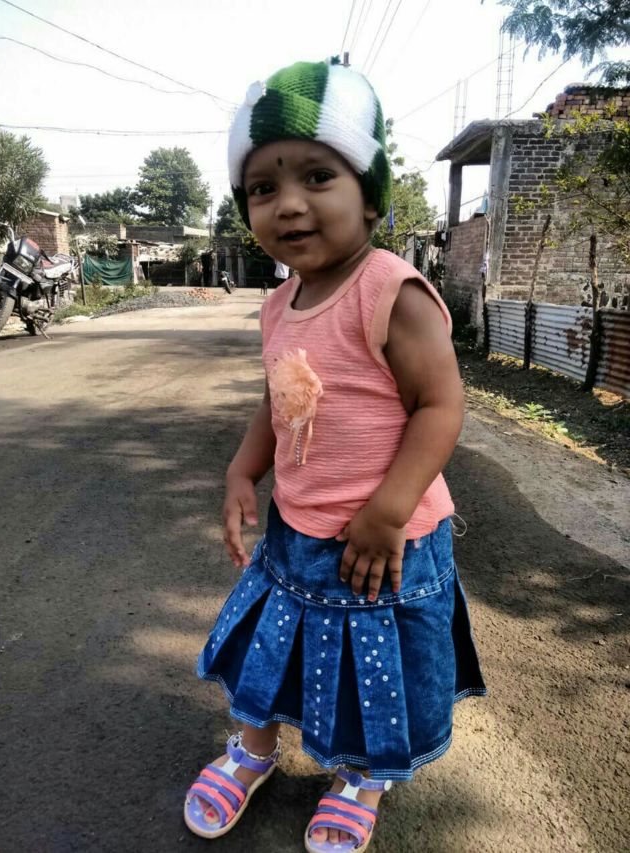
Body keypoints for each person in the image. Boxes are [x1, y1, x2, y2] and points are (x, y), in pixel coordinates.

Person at [184, 58, 486, 851]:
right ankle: (253, 748)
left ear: (371, 193)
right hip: (297, 533)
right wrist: (243, 469)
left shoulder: (393, 291)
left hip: (384, 541)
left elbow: (441, 406)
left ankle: (360, 774)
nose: (288, 203)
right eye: (262, 187)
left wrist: (388, 510)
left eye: (318, 176)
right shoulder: (278, 304)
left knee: (369, 671)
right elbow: (278, 399)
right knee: (269, 648)